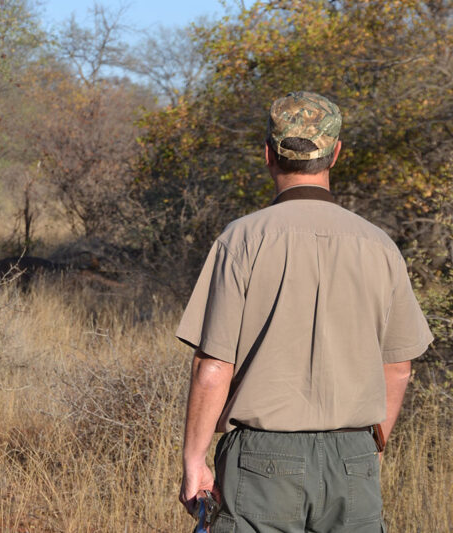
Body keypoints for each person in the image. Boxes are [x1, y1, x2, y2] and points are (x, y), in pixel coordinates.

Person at [176, 92, 433, 532]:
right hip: (353, 454)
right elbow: (399, 367)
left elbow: (214, 366)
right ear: (336, 153)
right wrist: (371, 448)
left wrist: (194, 461)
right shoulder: (379, 246)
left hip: (260, 460)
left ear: (267, 155)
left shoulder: (241, 240)